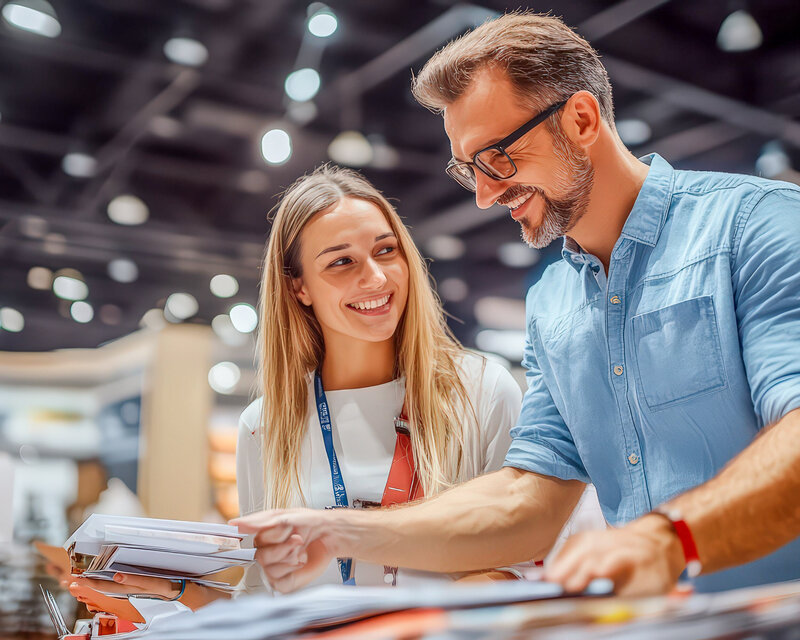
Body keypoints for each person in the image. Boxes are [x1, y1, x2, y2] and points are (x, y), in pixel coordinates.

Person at [235, 11, 800, 596]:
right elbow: (529, 498)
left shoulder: (756, 227)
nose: (483, 195)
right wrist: (343, 531)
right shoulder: (553, 304)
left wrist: (668, 538)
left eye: (497, 157)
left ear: (581, 119)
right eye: (467, 169)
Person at [71, 164, 600, 613]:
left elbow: (527, 567)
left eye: (386, 250)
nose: (375, 278)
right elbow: (270, 597)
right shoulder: (266, 423)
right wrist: (174, 591)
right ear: (298, 286)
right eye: (342, 262)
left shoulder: (480, 388)